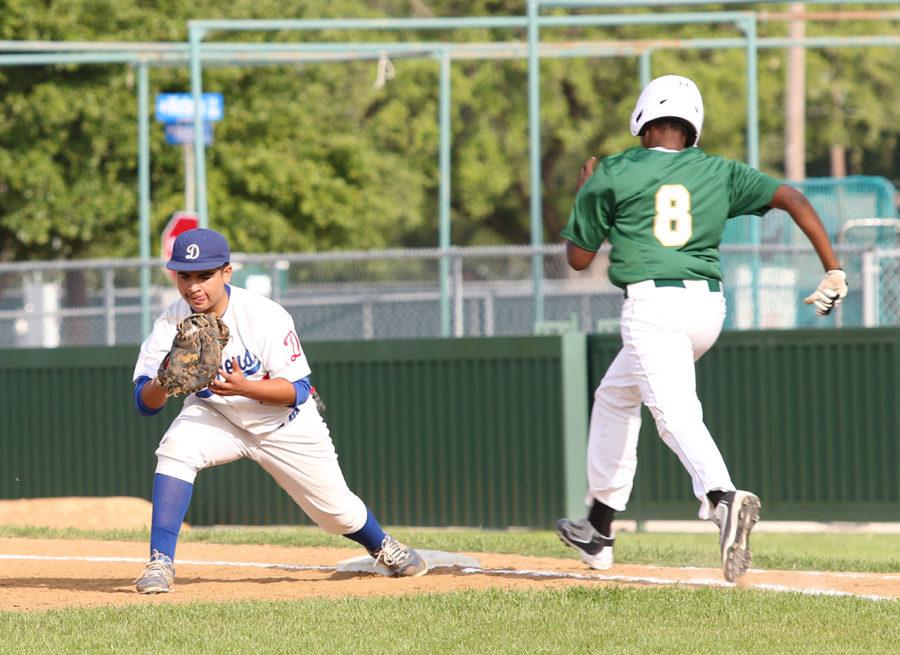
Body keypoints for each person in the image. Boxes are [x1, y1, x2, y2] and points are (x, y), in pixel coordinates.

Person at [555, 75, 847, 582]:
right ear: (693, 127)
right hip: (707, 309)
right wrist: (833, 269)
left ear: (642, 121)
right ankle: (599, 527)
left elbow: (579, 259)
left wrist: (586, 193)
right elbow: (793, 198)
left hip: (652, 307)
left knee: (674, 414)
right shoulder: (718, 170)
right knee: (616, 396)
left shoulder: (615, 169)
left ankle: (723, 497)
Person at [131, 228, 427, 593]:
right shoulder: (170, 321)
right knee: (176, 449)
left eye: (204, 275)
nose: (194, 286)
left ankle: (380, 544)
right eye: (184, 275)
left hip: (282, 422)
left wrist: (246, 387)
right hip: (218, 416)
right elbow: (144, 404)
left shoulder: (264, 315)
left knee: (336, 513)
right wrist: (163, 380)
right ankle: (160, 562)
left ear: (226, 272)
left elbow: (298, 391)